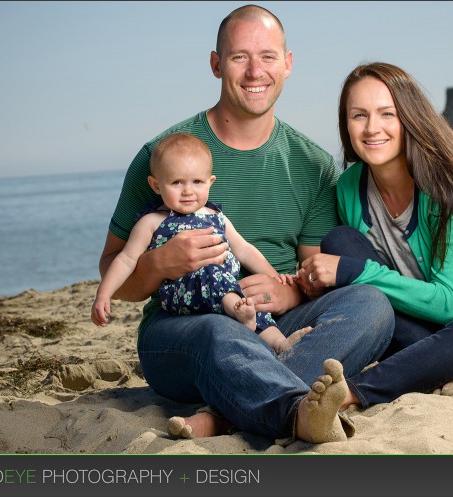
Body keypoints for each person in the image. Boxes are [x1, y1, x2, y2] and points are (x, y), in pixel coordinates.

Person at [98, 5, 393, 443]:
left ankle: (228, 414)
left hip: (272, 324)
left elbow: (314, 274)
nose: (256, 71)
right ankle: (291, 411)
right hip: (185, 329)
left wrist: (288, 289)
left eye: (268, 56)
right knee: (217, 329)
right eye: (239, 57)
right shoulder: (163, 158)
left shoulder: (313, 165)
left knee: (372, 305)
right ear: (217, 64)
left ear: (288, 64)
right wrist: (160, 264)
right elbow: (113, 275)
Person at [294, 62, 453, 410]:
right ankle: (441, 367)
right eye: (359, 115)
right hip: (422, 330)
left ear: (409, 117)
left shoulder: (446, 186)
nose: (372, 128)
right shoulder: (349, 187)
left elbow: (448, 304)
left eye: (386, 114)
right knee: (340, 242)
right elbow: (379, 291)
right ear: (345, 124)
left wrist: (350, 273)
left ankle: (353, 393)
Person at [91, 132, 308, 354]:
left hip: (227, 288)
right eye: (176, 182)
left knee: (253, 305)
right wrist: (104, 293)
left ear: (210, 182)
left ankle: (281, 344)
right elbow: (126, 259)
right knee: (211, 276)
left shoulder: (216, 215)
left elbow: (245, 250)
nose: (188, 191)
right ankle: (237, 311)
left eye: (197, 182)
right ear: (156, 185)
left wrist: (275, 278)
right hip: (183, 293)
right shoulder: (152, 222)